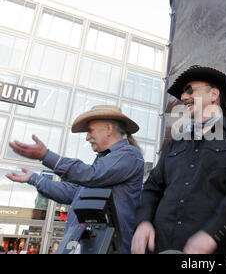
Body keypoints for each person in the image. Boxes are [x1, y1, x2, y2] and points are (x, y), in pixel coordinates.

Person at [131, 65, 226, 254]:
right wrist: (143, 222)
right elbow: (152, 188)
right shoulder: (175, 143)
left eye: (190, 90)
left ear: (213, 94)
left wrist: (212, 234)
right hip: (163, 246)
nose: (184, 97)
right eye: (183, 93)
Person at [6, 105, 144, 254]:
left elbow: (92, 175)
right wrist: (35, 179)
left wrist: (46, 156)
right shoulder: (104, 163)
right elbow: (73, 193)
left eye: (90, 130)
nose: (87, 137)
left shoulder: (129, 155)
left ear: (108, 129)